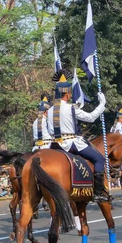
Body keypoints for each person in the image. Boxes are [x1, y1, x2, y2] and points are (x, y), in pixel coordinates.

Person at [47, 69, 107, 202]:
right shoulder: (71, 108)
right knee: (99, 159)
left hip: (54, 145)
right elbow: (91, 117)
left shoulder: (49, 110)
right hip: (72, 144)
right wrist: (102, 104)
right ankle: (97, 193)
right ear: (67, 94)